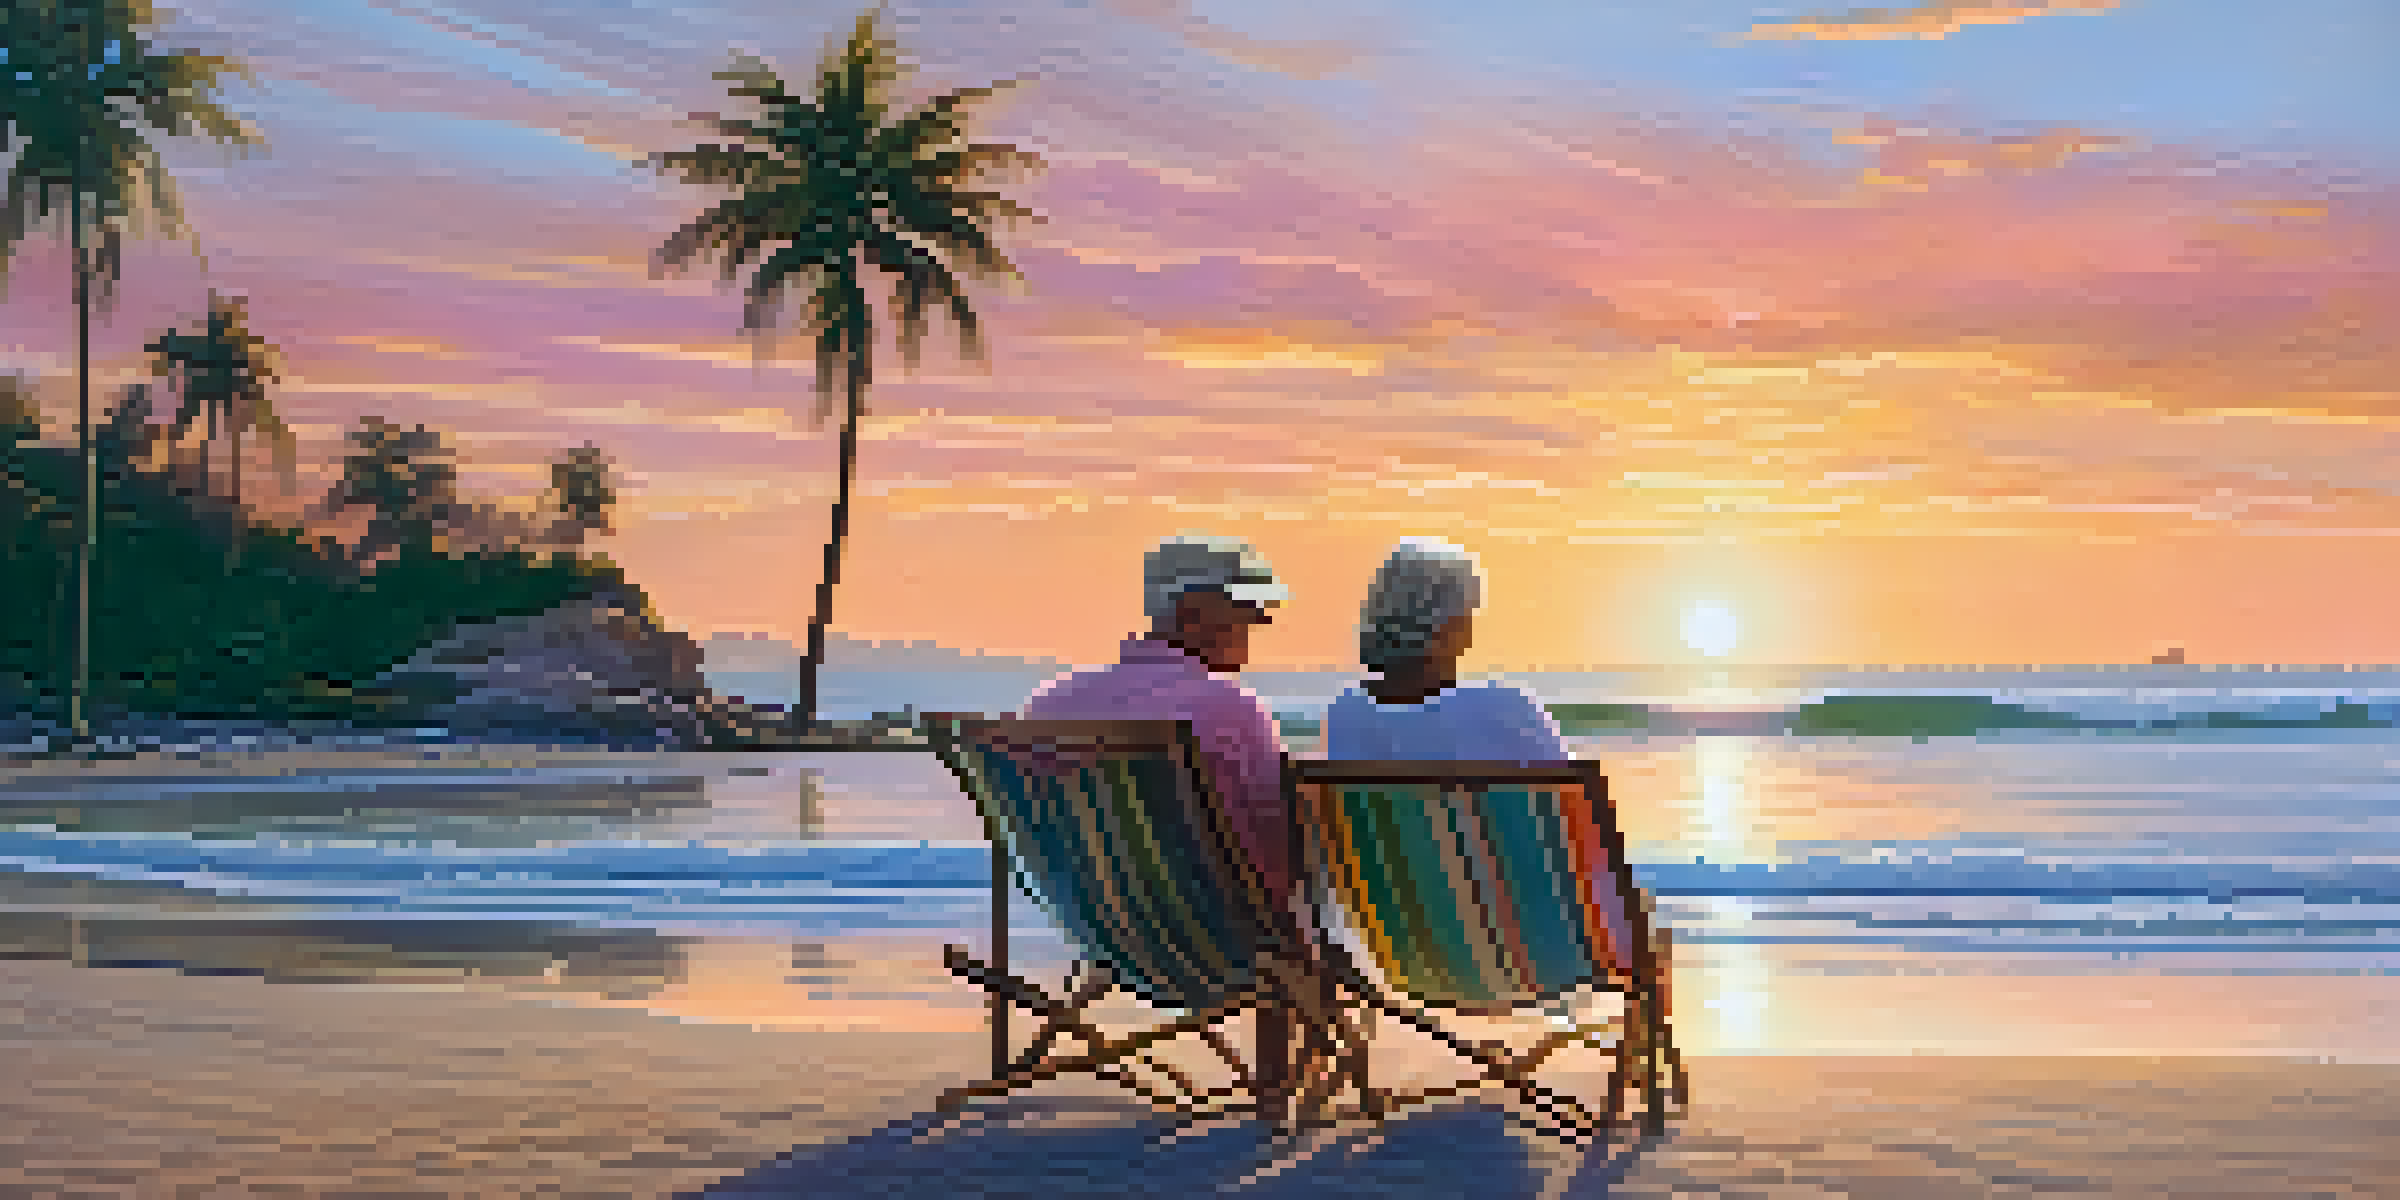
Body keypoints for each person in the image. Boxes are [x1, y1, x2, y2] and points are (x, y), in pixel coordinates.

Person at [1020, 533, 1296, 894]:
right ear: (1190, 614)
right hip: (1219, 925)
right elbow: (1275, 846)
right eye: (1243, 615)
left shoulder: (1047, 705)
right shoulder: (1228, 706)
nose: (1258, 623)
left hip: (1094, 919)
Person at [1324, 538, 1572, 762]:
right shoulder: (1508, 710)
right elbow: (1574, 804)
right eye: (1469, 612)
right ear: (1451, 625)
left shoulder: (1347, 712)